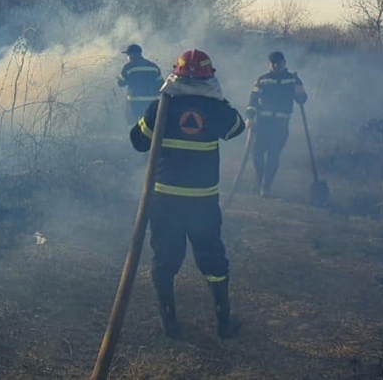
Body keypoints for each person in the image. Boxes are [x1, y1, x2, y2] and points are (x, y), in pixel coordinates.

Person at [129, 49, 245, 339]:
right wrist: (218, 100)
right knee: (213, 259)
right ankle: (223, 322)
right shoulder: (216, 109)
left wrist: (158, 112)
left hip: (164, 201)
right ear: (209, 77)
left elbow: (138, 141)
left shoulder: (162, 106)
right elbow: (236, 127)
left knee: (165, 259)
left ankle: (168, 322)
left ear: (175, 75)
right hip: (202, 203)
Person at [245, 51, 308, 197]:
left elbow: (302, 100)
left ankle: (266, 187)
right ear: (269, 64)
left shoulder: (293, 80)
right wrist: (250, 117)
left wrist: (300, 92)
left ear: (284, 63)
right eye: (272, 63)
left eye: (278, 63)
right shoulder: (262, 80)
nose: (275, 66)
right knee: (257, 154)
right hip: (262, 124)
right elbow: (253, 100)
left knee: (273, 156)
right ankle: (259, 181)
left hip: (280, 125)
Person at [117, 44, 163, 125]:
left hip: (134, 102)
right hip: (151, 102)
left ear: (131, 55)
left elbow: (120, 83)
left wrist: (121, 78)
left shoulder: (128, 67)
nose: (127, 57)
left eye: (127, 55)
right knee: (149, 124)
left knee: (133, 124)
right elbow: (161, 84)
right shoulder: (153, 67)